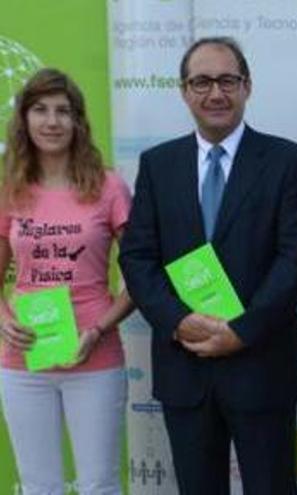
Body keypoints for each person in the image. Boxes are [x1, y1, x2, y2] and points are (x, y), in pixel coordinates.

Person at [119, 37, 297, 494]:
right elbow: (137, 256)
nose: (215, 93)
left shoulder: (288, 161)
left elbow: (295, 259)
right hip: (184, 368)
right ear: (184, 90)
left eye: (227, 80)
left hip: (261, 364)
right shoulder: (157, 164)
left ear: (247, 86)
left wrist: (242, 331)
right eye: (202, 81)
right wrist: (178, 321)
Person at [0, 68, 133, 494]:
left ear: (78, 121)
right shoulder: (9, 188)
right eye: (40, 109)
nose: (52, 121)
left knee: (98, 485)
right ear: (24, 119)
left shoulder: (109, 186)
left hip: (93, 359)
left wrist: (99, 330)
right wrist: (2, 319)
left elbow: (140, 278)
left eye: (63, 111)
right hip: (24, 362)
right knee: (40, 487)